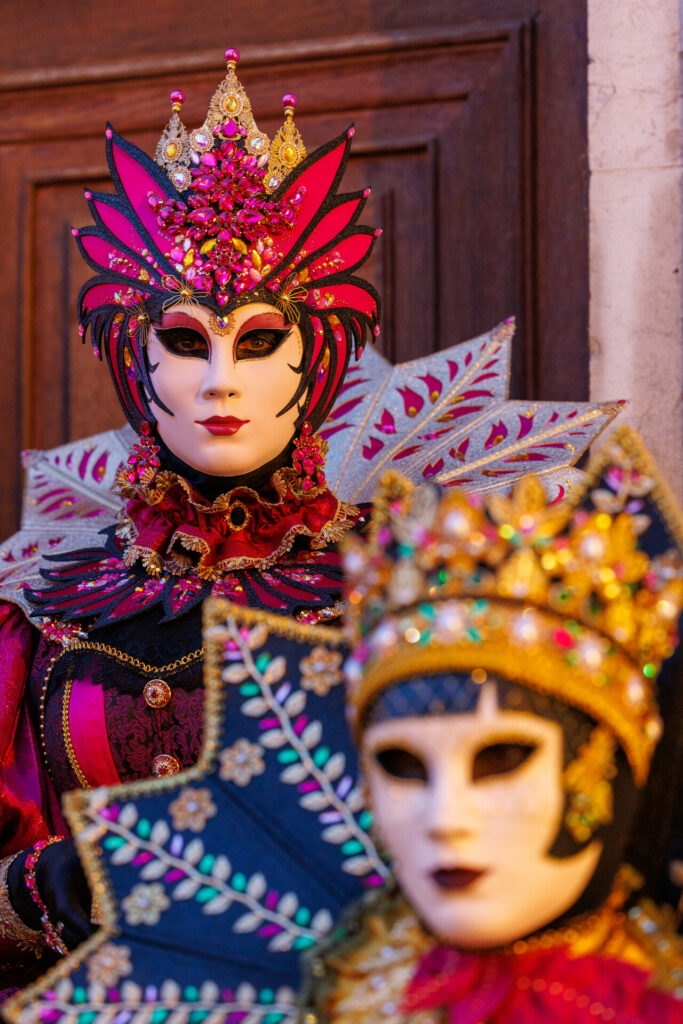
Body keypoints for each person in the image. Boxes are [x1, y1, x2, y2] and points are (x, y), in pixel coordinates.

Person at [0, 47, 618, 1001]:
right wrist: (68, 886)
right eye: (181, 341)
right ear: (132, 358)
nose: (219, 383)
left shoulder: (410, 592)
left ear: (318, 353)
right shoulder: (41, 623)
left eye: (258, 339)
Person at [300, 427, 683, 1022]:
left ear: (605, 774)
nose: (447, 820)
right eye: (400, 766)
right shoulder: (339, 992)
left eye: (503, 758)